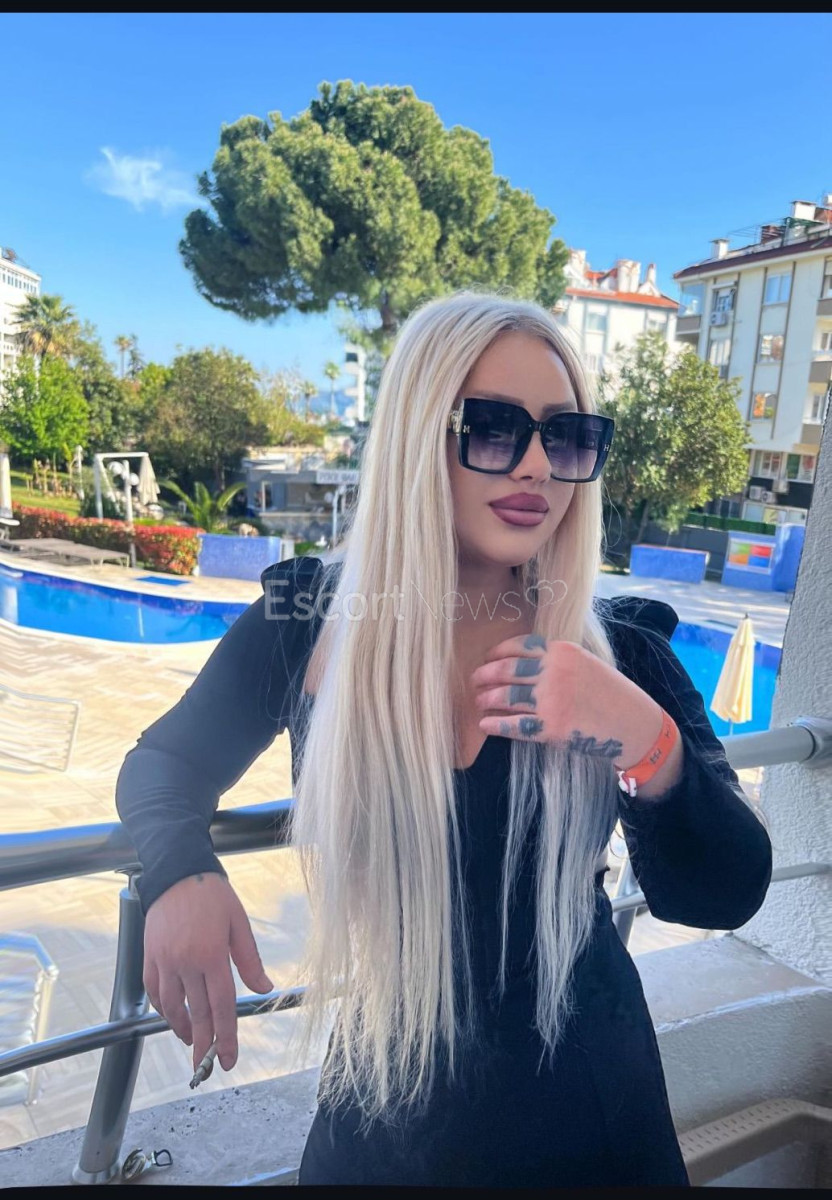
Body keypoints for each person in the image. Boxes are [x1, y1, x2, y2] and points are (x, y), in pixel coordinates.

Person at [116, 292, 772, 1187]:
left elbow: (724, 892)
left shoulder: (623, 649)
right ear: (419, 433)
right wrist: (181, 873)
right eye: (494, 428)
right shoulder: (308, 621)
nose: (537, 464)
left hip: (595, 1121)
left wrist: (641, 737)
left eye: (567, 436)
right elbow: (165, 763)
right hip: (381, 1120)